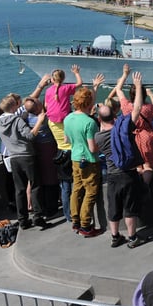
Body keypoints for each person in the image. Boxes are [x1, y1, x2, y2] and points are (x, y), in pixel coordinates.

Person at [94, 71, 146, 249]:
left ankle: (115, 237)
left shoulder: (99, 137)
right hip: (129, 173)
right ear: (115, 117)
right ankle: (132, 238)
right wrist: (138, 86)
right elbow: (137, 108)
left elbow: (94, 147)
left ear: (100, 119)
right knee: (130, 208)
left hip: (112, 175)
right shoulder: (123, 128)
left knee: (113, 208)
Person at [0, 95, 47, 229]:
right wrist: (39, 121)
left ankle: (23, 220)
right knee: (35, 186)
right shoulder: (17, 120)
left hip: (13, 158)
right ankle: (38, 217)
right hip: (27, 156)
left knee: (19, 190)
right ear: (13, 107)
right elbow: (30, 136)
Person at [63, 86, 103, 237]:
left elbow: (66, 140)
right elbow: (93, 148)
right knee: (90, 192)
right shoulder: (89, 123)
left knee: (76, 189)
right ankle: (86, 226)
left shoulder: (68, 118)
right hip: (89, 160)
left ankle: (75, 221)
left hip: (75, 158)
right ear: (89, 103)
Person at [115, 64, 153, 185]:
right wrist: (151, 94)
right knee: (148, 166)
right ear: (144, 94)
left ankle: (137, 186)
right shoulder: (148, 108)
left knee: (137, 166)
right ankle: (145, 188)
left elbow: (118, 90)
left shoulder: (126, 106)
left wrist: (125, 74)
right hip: (147, 137)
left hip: (131, 137)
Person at [44, 65, 83, 151]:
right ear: (63, 78)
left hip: (52, 120)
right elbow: (80, 83)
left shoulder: (48, 90)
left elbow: (46, 105)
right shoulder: (66, 88)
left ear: (52, 79)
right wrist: (76, 73)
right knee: (71, 141)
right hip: (65, 118)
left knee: (61, 142)